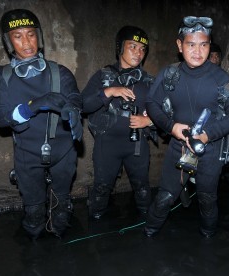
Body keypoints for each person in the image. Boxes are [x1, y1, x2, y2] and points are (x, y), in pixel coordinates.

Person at [0, 9, 83, 239]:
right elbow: (0, 116)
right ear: (8, 41)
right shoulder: (0, 76)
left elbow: (74, 97)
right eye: (18, 36)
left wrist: (74, 110)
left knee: (61, 206)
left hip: (63, 150)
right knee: (34, 213)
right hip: (27, 152)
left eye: (30, 34)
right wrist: (33, 106)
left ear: (38, 37)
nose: (26, 42)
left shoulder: (60, 72)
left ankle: (62, 247)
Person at [144, 16, 229, 238]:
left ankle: (208, 237)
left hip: (210, 149)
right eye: (191, 44)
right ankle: (149, 232)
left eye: (203, 45)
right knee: (166, 196)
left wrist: (208, 135)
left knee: (207, 198)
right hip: (179, 145)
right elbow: (151, 102)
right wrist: (171, 127)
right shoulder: (169, 74)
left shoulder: (221, 77)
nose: (197, 51)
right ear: (179, 45)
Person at [82, 26, 154, 220]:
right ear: (120, 48)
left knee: (142, 188)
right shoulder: (103, 76)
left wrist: (148, 121)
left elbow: (166, 113)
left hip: (137, 145)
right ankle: (95, 229)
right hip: (107, 144)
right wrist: (109, 92)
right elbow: (83, 105)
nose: (138, 53)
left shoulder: (148, 81)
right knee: (101, 188)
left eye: (142, 49)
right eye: (133, 46)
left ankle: (148, 230)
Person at [209, 42, 229, 193]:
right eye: (212, 56)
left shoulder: (224, 77)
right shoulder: (198, 77)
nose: (215, 59)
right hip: (207, 127)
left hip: (224, 126)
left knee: (228, 159)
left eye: (217, 56)